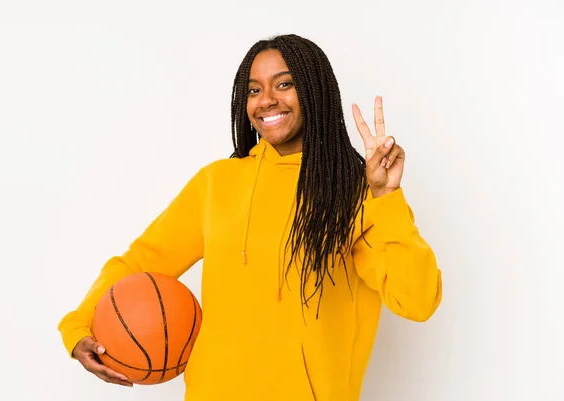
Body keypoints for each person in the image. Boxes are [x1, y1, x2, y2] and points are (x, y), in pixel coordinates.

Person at [58, 33, 442, 401]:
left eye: (284, 84)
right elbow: (141, 262)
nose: (266, 101)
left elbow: (417, 301)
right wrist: (79, 327)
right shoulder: (217, 183)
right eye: (254, 90)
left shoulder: (353, 192)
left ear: (315, 91)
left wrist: (386, 196)